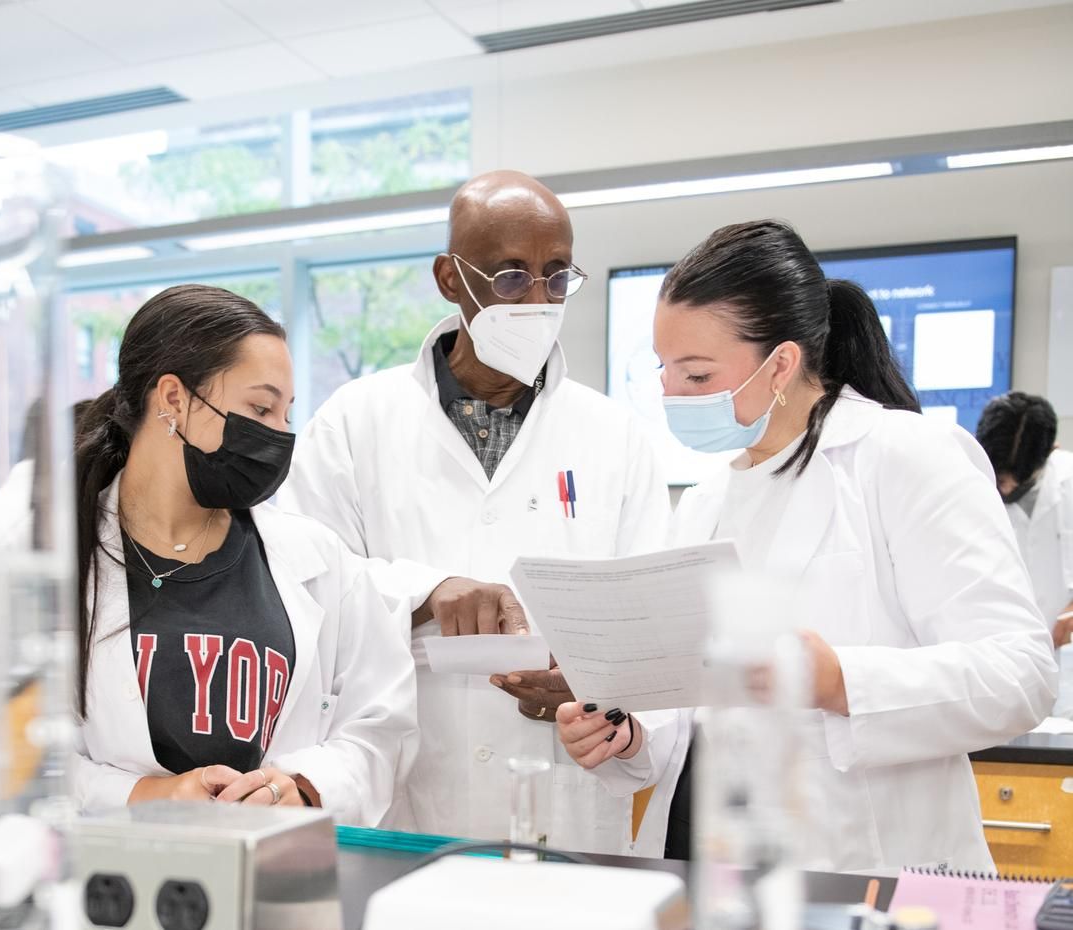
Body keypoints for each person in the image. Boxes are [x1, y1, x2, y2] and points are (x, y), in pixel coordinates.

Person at [556, 220, 1056, 871]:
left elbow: (1021, 676)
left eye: (697, 375)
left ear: (782, 364)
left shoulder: (904, 457)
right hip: (728, 867)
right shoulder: (708, 503)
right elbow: (693, 715)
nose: (669, 394)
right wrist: (626, 736)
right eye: (664, 369)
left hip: (875, 869)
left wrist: (841, 682)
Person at [280, 170, 679, 855]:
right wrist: (424, 592)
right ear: (448, 278)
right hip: (409, 799)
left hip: (567, 806)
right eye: (510, 278)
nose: (539, 299)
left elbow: (659, 633)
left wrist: (601, 703)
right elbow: (304, 593)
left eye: (557, 276)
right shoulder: (355, 423)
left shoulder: (616, 435)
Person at [69, 284, 417, 821]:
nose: (279, 435)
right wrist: (146, 796)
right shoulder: (52, 557)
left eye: (285, 414)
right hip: (110, 875)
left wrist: (301, 785)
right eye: (260, 407)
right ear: (173, 400)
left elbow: (379, 726)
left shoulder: (317, 559)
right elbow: (8, 752)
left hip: (275, 867)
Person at [977, 391, 1073, 645]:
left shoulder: (1069, 480)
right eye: (999, 479)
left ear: (1052, 451)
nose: (1006, 490)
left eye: (1019, 482)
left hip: (1062, 650)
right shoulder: (966, 488)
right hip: (994, 646)